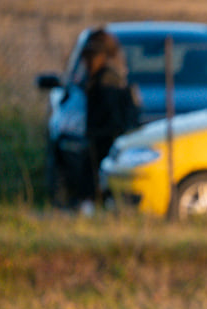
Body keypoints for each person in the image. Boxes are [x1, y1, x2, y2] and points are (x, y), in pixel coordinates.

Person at [79, 28, 140, 213]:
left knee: (100, 173)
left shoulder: (106, 80)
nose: (86, 63)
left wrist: (103, 132)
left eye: (90, 57)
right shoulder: (103, 77)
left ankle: (98, 205)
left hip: (106, 135)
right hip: (103, 135)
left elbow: (112, 114)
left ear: (100, 57)